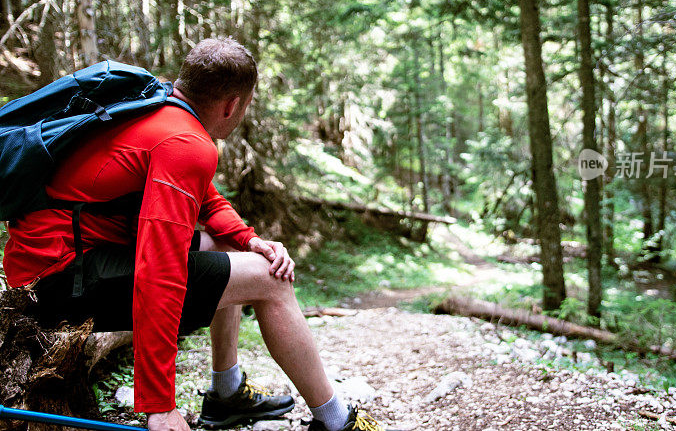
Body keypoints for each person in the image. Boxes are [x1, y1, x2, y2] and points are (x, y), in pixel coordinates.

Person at [2, 38, 393, 431]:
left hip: (49, 258)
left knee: (230, 247)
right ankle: (337, 422)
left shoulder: (155, 108)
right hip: (57, 277)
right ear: (232, 105)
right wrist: (159, 405)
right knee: (271, 282)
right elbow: (160, 271)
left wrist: (249, 239)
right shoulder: (186, 142)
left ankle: (226, 393)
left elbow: (205, 198)